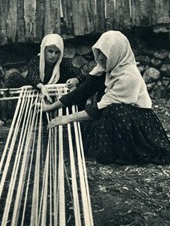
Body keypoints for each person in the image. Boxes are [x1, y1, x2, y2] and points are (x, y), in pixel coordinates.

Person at [41, 30, 170, 165]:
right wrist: (51, 107)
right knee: (101, 118)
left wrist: (66, 118)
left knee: (114, 110)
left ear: (116, 53)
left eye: (105, 54)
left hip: (136, 121)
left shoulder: (129, 76)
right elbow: (83, 91)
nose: (101, 58)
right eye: (99, 53)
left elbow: (100, 108)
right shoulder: (106, 67)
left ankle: (127, 152)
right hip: (113, 113)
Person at [4, 34, 85, 102]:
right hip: (35, 94)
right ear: (44, 50)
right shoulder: (36, 61)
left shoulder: (63, 63)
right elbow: (31, 75)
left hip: (55, 97)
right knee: (13, 77)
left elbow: (81, 75)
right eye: (50, 51)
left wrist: (75, 80)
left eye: (56, 52)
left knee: (81, 87)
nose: (53, 55)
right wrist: (42, 87)